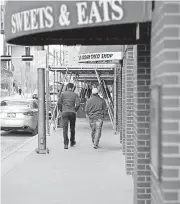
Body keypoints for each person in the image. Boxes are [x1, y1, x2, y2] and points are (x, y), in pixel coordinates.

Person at [58, 83, 80, 149]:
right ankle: (72, 142)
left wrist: (61, 110)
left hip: (64, 112)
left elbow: (59, 103)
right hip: (72, 112)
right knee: (72, 128)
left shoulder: (62, 94)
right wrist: (75, 110)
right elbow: (78, 104)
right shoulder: (75, 94)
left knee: (65, 129)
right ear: (72, 88)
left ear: (67, 87)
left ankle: (65, 144)